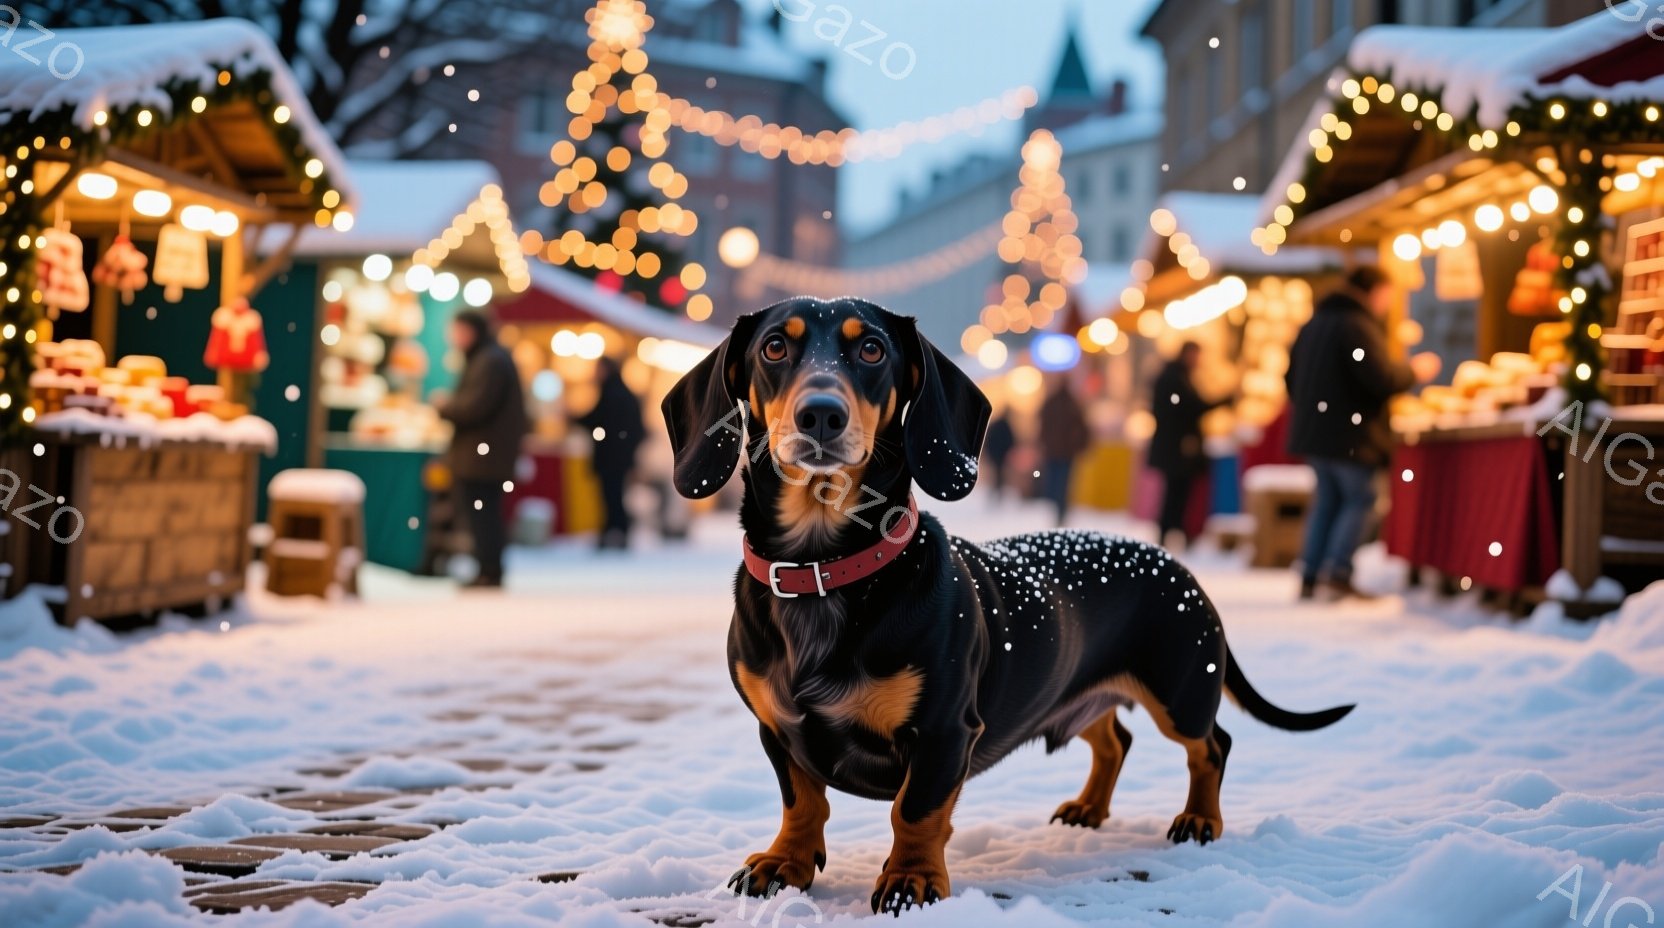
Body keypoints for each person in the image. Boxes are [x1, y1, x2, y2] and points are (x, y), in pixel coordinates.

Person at [1286, 265, 1440, 601]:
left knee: (1327, 501)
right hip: (1350, 435)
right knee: (1361, 499)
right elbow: (1378, 377)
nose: (1387, 303)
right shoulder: (1356, 324)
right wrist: (1413, 371)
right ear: (1374, 291)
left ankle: (1311, 575)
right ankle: (1337, 573)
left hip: (1316, 433)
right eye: (1387, 295)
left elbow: (1290, 378)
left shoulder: (1315, 323)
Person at [438, 310, 528, 589]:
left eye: (459, 331)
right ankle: (488, 569)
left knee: (482, 512)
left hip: (483, 456)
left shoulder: (489, 361)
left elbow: (474, 407)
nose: (454, 338)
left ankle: (488, 571)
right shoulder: (490, 357)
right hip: (485, 454)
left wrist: (445, 406)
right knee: (483, 512)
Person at [1149, 341, 1230, 550]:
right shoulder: (1175, 379)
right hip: (1177, 449)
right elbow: (1187, 408)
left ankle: (1172, 532)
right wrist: (1222, 401)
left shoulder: (1178, 377)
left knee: (1177, 494)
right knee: (1176, 494)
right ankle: (1171, 532)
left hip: (1176, 448)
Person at [576, 356, 645, 550]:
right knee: (614, 496)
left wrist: (574, 419)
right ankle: (614, 531)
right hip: (618, 458)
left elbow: (599, 420)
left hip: (611, 458)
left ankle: (614, 532)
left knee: (611, 497)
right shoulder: (621, 392)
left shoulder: (612, 393)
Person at [1037, 376, 1089, 527]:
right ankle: (1060, 508)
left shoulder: (1052, 403)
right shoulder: (1073, 405)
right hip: (1066, 453)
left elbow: (1042, 426)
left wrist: (1043, 443)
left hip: (1054, 452)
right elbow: (1082, 428)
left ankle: (1057, 507)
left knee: (1054, 482)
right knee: (1064, 483)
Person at [982, 410, 1017, 503]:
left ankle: (995, 492)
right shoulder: (1006, 426)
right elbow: (1011, 441)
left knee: (996, 474)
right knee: (999, 474)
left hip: (996, 454)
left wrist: (989, 452)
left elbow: (988, 440)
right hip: (1001, 454)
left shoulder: (995, 425)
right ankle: (997, 492)